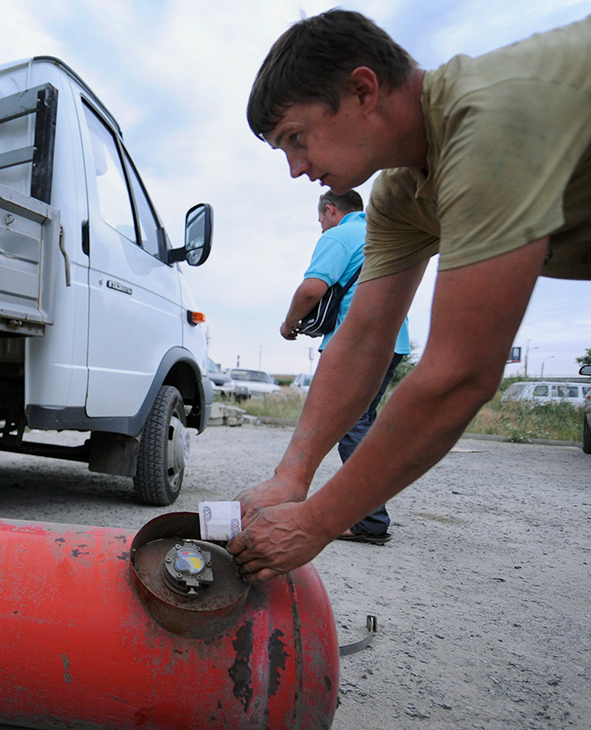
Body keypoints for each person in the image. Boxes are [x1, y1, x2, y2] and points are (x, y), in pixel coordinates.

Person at [228, 10, 591, 584]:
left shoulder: (487, 122)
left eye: (296, 138)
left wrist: (317, 520)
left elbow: (460, 375)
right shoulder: (400, 192)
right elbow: (365, 335)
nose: (296, 168)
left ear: (363, 90)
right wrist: (292, 474)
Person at [281, 189, 412, 544]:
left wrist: (288, 324)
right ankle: (368, 511)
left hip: (357, 343)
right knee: (362, 422)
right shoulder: (385, 233)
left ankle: (370, 520)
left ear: (330, 209)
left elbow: (312, 290)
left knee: (350, 425)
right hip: (394, 341)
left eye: (321, 218)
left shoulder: (340, 235)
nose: (321, 226)